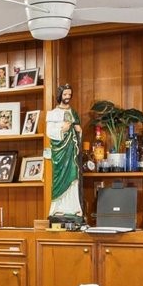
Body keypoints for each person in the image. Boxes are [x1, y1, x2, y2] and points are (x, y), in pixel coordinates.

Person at [47, 83, 82, 219]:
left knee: (73, 177)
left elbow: (78, 128)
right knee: (59, 178)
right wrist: (62, 129)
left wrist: (78, 131)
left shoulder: (73, 112)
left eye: (69, 94)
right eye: (65, 94)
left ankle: (73, 208)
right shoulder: (53, 114)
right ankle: (57, 208)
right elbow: (50, 132)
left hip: (71, 150)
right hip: (60, 152)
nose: (67, 97)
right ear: (60, 95)